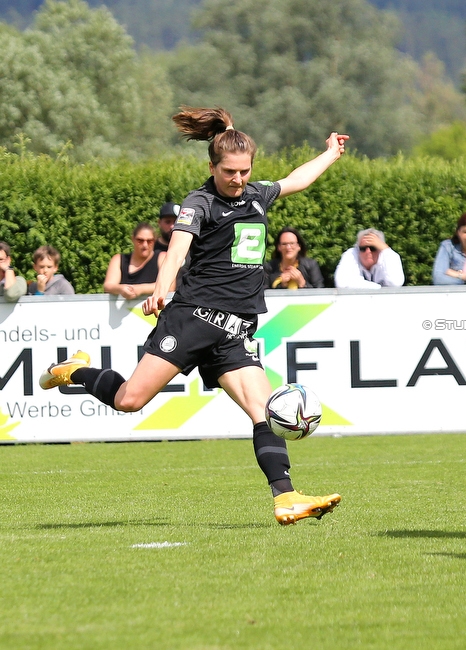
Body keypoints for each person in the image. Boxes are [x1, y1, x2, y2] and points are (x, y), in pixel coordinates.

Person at [39, 107, 349, 526]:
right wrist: (162, 289)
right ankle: (74, 371)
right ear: (212, 167)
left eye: (244, 171)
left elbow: (297, 179)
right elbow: (177, 252)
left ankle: (287, 497)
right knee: (130, 400)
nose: (238, 179)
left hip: (236, 330)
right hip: (193, 319)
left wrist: (330, 153)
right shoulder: (198, 203)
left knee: (264, 413)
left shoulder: (257, 195)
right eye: (229, 172)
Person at [104, 223, 167, 299]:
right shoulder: (118, 259)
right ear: (132, 239)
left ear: (154, 240)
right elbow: (108, 286)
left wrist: (141, 289)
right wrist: (121, 289)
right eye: (140, 240)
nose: (145, 245)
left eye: (149, 241)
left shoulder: (162, 258)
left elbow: (169, 286)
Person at [333, 228, 405, 289]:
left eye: (372, 248)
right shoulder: (351, 254)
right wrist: (378, 288)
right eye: (363, 248)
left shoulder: (387, 256)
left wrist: (386, 249)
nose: (368, 252)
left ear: (380, 249)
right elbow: (341, 283)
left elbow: (396, 283)